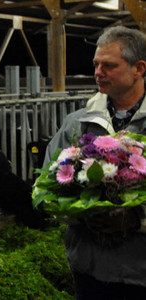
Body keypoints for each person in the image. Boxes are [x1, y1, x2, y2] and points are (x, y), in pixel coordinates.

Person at [43, 26, 146, 299]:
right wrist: (81, 212)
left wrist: (137, 218)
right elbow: (46, 184)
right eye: (96, 64)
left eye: (109, 65)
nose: (98, 72)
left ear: (139, 69)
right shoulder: (76, 123)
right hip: (91, 271)